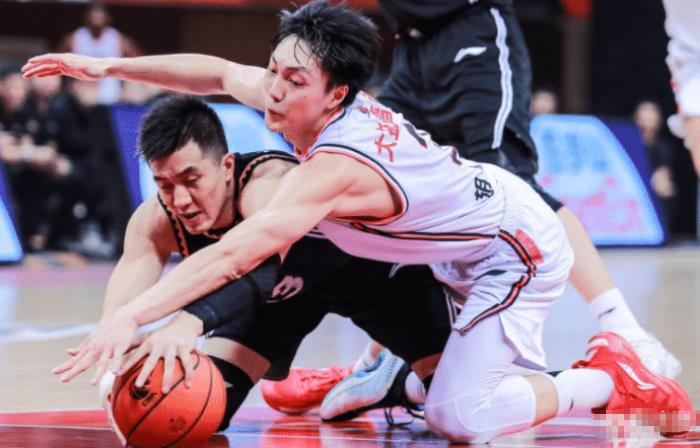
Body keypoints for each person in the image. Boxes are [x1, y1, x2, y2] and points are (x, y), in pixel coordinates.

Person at [23, 1, 693, 443]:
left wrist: (131, 317)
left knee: (459, 416)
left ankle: (606, 378)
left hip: (510, 253)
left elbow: (238, 254)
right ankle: (388, 371)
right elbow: (220, 73)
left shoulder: (337, 166)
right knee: (432, 375)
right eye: (275, 71)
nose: (273, 89)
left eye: (293, 81)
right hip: (446, 246)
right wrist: (108, 65)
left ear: (335, 94)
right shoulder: (304, 99)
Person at [67, 95, 452, 441]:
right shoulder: (153, 221)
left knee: (453, 410)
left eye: (191, 179)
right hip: (275, 300)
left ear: (226, 165)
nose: (180, 199)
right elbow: (119, 321)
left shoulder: (268, 183)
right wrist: (113, 373)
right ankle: (340, 383)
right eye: (164, 185)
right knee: (195, 408)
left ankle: (393, 377)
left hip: (366, 276)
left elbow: (259, 266)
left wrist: (185, 324)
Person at [58, 4, 142, 105]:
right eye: (93, 18)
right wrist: (70, 87)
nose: (96, 21)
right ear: (86, 18)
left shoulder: (117, 39)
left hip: (112, 89)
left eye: (100, 17)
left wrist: (127, 85)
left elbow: (138, 61)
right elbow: (59, 64)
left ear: (107, 19)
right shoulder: (75, 39)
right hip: (83, 88)